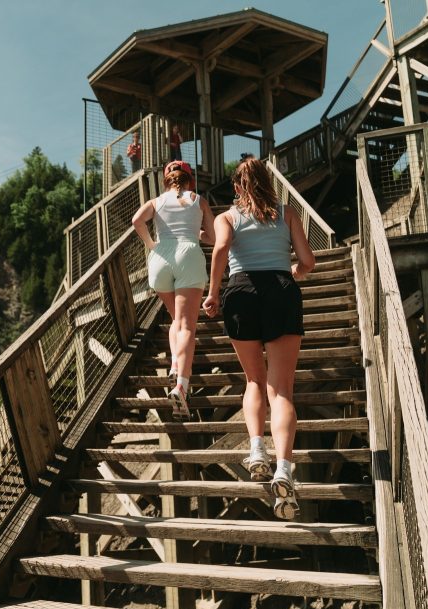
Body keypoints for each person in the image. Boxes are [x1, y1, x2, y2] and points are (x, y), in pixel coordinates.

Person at [202, 155, 315, 520]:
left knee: (254, 380)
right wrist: (292, 271)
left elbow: (220, 249)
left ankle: (256, 451)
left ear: (237, 188)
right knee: (281, 390)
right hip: (281, 289)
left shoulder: (227, 217)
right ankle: (283, 469)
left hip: (241, 292)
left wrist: (213, 293)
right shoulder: (287, 213)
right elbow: (308, 262)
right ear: (268, 182)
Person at [132, 160, 215, 418]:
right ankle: (182, 383)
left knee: (176, 321)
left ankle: (174, 365)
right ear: (190, 179)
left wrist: (151, 243)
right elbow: (213, 237)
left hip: (161, 258)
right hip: (188, 255)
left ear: (166, 180)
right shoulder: (198, 200)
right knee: (188, 325)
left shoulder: (156, 202)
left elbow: (137, 220)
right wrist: (196, 233)